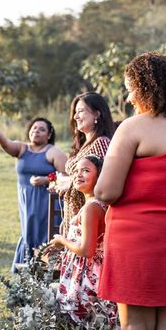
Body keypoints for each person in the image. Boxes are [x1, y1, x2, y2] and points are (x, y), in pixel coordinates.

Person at [96, 52, 166, 330]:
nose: (130, 97)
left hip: (138, 242)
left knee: (136, 327)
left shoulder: (133, 127)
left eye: (131, 88)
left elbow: (106, 192)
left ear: (145, 87)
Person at [0, 113, 67, 271]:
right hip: (26, 203)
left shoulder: (53, 152)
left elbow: (66, 178)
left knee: (44, 237)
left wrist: (47, 180)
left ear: (49, 135)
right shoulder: (22, 149)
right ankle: (27, 272)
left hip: (47, 204)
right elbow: (5, 144)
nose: (36, 131)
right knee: (28, 234)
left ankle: (46, 272)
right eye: (34, 128)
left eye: (42, 129)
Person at [51, 155, 116, 325]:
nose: (79, 175)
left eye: (86, 171)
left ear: (99, 176)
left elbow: (87, 250)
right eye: (76, 171)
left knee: (84, 322)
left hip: (87, 274)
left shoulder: (92, 208)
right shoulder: (95, 204)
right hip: (86, 268)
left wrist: (62, 240)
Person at [54, 92, 114, 235]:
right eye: (75, 112)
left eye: (80, 111)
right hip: (75, 217)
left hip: (87, 221)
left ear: (97, 114)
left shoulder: (101, 143)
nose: (75, 117)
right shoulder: (85, 144)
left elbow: (103, 182)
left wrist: (69, 181)